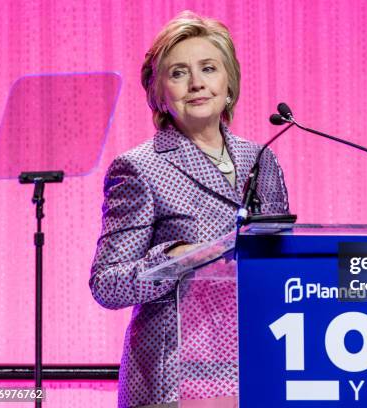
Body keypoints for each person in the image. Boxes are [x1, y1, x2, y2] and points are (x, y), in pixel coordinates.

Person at [89, 11, 289, 408]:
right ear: (159, 93)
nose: (197, 83)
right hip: (174, 377)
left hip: (257, 365)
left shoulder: (262, 159)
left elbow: (279, 262)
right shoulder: (139, 167)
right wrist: (173, 258)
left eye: (209, 69)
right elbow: (107, 284)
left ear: (228, 83)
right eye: (179, 73)